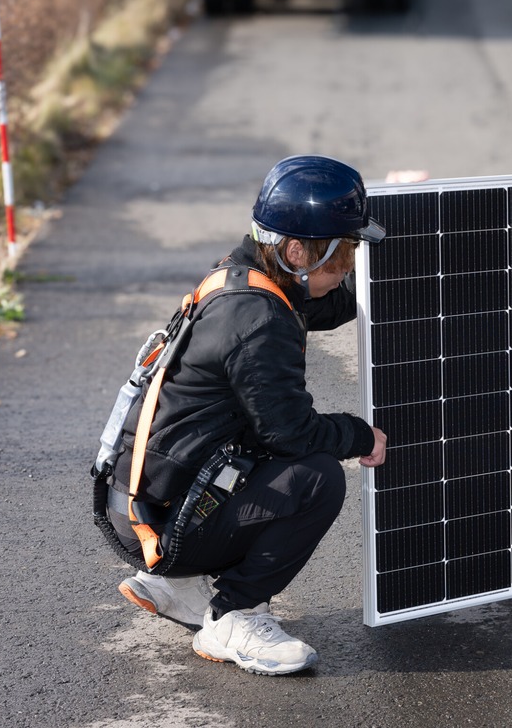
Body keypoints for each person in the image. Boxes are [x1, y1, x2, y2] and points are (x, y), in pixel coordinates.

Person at [102, 155, 387, 675]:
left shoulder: (241, 281)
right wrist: (360, 434)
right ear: (297, 250)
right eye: (341, 257)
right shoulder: (258, 319)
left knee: (273, 459)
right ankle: (233, 613)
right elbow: (292, 432)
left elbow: (324, 304)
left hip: (144, 505)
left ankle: (182, 587)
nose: (348, 270)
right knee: (316, 477)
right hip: (162, 523)